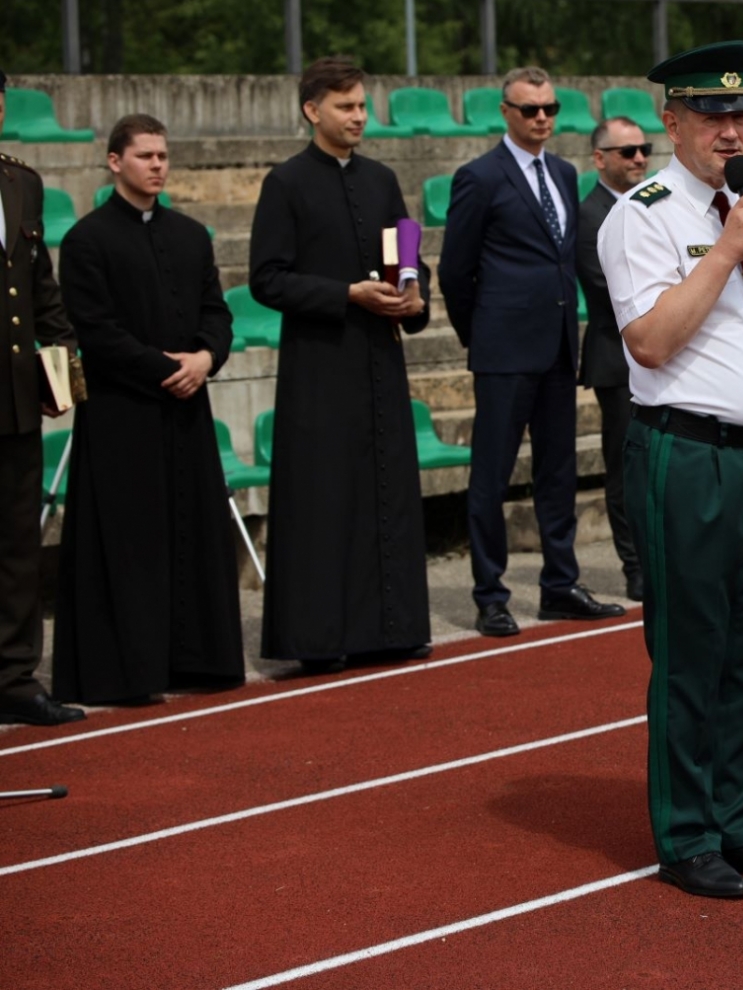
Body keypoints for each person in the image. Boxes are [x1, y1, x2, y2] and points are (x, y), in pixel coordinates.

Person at [597, 40, 743, 900]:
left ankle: (737, 821)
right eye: (714, 116)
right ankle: (687, 834)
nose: (733, 132)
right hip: (688, 457)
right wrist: (725, 248)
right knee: (693, 655)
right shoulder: (643, 215)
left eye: (742, 117)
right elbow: (648, 342)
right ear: (672, 119)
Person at [52, 114, 245, 704]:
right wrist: (169, 370)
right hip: (122, 416)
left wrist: (206, 359)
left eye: (163, 155)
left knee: (190, 534)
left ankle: (195, 660)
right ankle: (127, 671)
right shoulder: (86, 240)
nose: (158, 165)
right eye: (145, 156)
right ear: (115, 162)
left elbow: (217, 312)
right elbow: (97, 332)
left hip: (187, 410)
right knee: (131, 543)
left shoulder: (191, 234)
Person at [248, 56, 432, 674]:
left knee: (388, 492)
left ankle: (393, 628)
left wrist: (414, 294)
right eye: (346, 107)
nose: (358, 117)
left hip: (380, 360)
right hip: (320, 366)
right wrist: (345, 294)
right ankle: (319, 639)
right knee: (326, 499)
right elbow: (266, 279)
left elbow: (406, 255)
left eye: (362, 105)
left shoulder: (380, 179)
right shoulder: (286, 183)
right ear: (312, 110)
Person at [439, 67, 625, 635]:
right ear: (506, 113)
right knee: (491, 477)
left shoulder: (565, 173)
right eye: (529, 110)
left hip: (557, 347)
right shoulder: (480, 177)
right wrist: (483, 336)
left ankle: (559, 585)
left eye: (549, 109)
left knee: (558, 471)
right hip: (502, 349)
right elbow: (454, 272)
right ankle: (490, 594)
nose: (541, 118)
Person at [0, 70, 86, 726]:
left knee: (17, 545)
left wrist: (65, 379)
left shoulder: (21, 183)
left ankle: (15, 676)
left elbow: (42, 294)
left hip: (15, 398)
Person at [576, 115, 652, 603]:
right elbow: (609, 290)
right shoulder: (588, 215)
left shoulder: (651, 207)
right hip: (617, 355)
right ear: (600, 159)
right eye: (628, 152)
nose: (640, 158)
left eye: (644, 149)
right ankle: (635, 567)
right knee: (627, 467)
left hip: (659, 351)